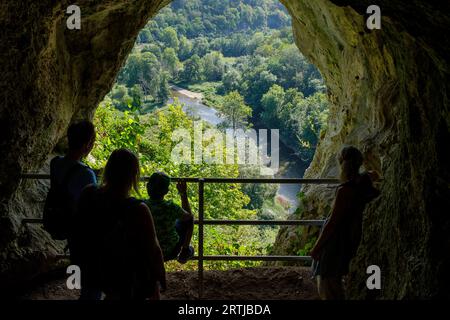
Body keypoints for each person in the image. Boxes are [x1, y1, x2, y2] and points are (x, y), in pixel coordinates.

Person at [72, 149, 166, 300]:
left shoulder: (88, 193)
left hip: (92, 265)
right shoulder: (138, 209)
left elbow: (77, 227)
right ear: (134, 175)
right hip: (122, 274)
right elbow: (154, 250)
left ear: (108, 169)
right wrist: (159, 279)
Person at [309, 146, 380, 300]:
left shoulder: (344, 190)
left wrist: (316, 248)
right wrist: (366, 175)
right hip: (349, 240)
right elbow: (374, 174)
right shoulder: (363, 182)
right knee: (337, 283)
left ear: (342, 164)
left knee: (328, 287)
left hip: (335, 242)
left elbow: (332, 224)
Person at [145, 172, 195, 263]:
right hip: (170, 251)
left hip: (147, 251)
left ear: (147, 186)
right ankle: (185, 251)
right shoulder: (171, 207)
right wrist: (183, 193)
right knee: (188, 219)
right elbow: (188, 217)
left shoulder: (142, 206)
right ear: (166, 191)